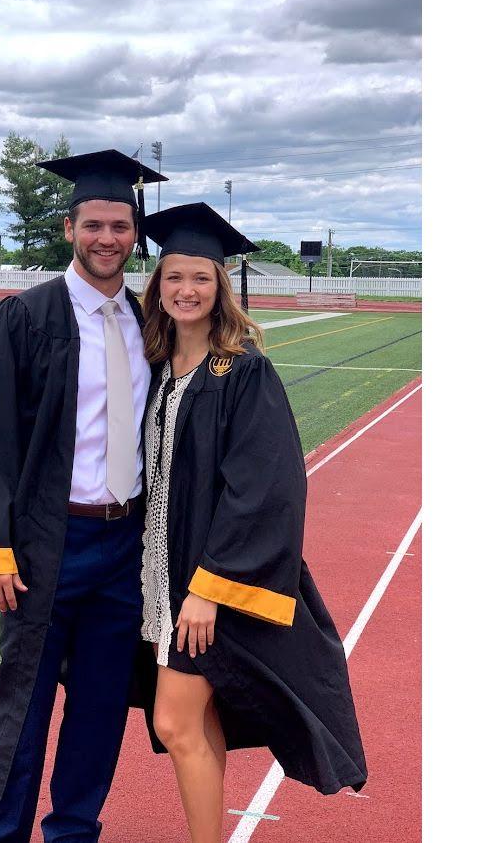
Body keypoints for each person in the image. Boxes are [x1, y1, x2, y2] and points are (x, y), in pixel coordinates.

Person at [0, 149, 167, 843]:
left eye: (120, 226)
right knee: (24, 705)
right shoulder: (25, 317)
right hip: (47, 546)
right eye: (93, 225)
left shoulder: (148, 323)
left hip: (123, 546)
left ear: (135, 234)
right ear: (69, 229)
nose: (107, 238)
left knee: (101, 707)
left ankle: (73, 831)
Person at [134, 202, 367, 842]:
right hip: (159, 573)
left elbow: (266, 487)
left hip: (206, 581)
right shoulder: (156, 367)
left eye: (200, 278)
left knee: (174, 722)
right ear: (157, 284)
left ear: (221, 286)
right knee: (192, 721)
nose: (186, 290)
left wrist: (209, 588)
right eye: (174, 277)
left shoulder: (241, 370)